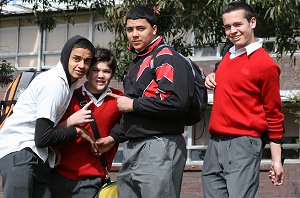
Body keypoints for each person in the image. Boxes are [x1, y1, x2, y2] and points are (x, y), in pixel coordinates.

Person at [97, 5, 190, 198]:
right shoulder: (137, 62)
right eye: (130, 30)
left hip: (159, 146)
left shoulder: (165, 57)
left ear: (154, 29)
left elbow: (176, 102)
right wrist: (114, 137)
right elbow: (133, 111)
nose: (134, 35)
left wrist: (133, 105)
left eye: (141, 28)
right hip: (133, 147)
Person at [202, 1, 284, 198]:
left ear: (252, 22)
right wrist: (211, 76)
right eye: (228, 27)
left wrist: (277, 160)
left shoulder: (265, 65)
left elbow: (274, 114)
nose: (232, 31)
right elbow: (233, 81)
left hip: (243, 144)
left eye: (238, 24)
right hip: (214, 144)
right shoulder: (227, 57)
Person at [0, 35, 97, 198]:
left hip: (35, 155)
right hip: (20, 152)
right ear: (66, 57)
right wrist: (77, 131)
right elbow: (42, 137)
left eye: (87, 61)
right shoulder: (55, 83)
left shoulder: (67, 84)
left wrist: (51, 149)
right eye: (77, 59)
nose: (81, 65)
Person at [50, 47, 123, 197]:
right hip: (60, 177)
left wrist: (112, 139)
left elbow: (130, 127)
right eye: (96, 70)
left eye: (106, 71)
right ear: (87, 72)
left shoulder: (119, 100)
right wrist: (70, 122)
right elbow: (49, 132)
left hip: (94, 179)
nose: (101, 75)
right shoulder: (69, 97)